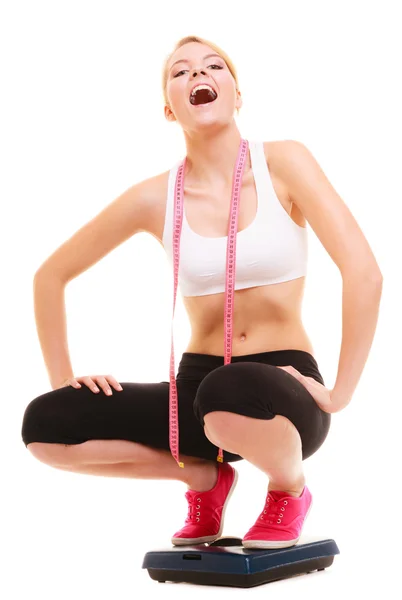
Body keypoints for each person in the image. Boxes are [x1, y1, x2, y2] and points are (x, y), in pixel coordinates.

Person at [21, 35, 383, 550]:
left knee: (226, 393)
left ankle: (289, 489)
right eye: (180, 71)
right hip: (197, 389)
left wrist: (339, 394)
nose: (197, 75)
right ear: (168, 108)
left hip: (285, 385)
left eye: (213, 66)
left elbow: (364, 273)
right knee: (45, 425)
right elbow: (49, 276)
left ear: (237, 94)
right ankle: (203, 479)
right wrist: (65, 382)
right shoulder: (154, 196)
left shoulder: (284, 162)